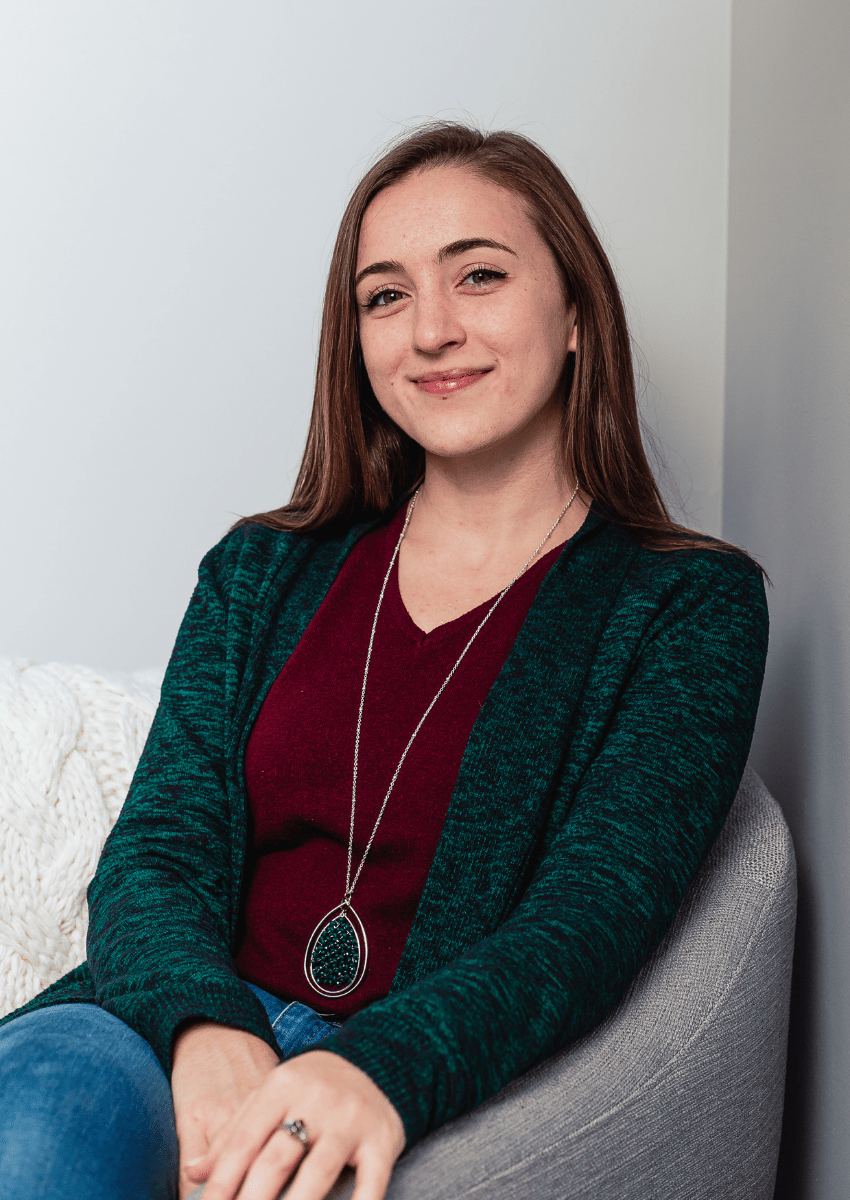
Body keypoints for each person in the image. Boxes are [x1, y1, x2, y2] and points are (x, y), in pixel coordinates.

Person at [0, 123, 768, 1200]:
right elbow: (156, 850)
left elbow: (589, 917)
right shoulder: (260, 571)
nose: (434, 331)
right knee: (31, 1143)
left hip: (411, 1069)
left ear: (580, 314)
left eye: (481, 276)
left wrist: (375, 1069)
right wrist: (204, 1031)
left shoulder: (686, 606)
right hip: (157, 1030)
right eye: (386, 296)